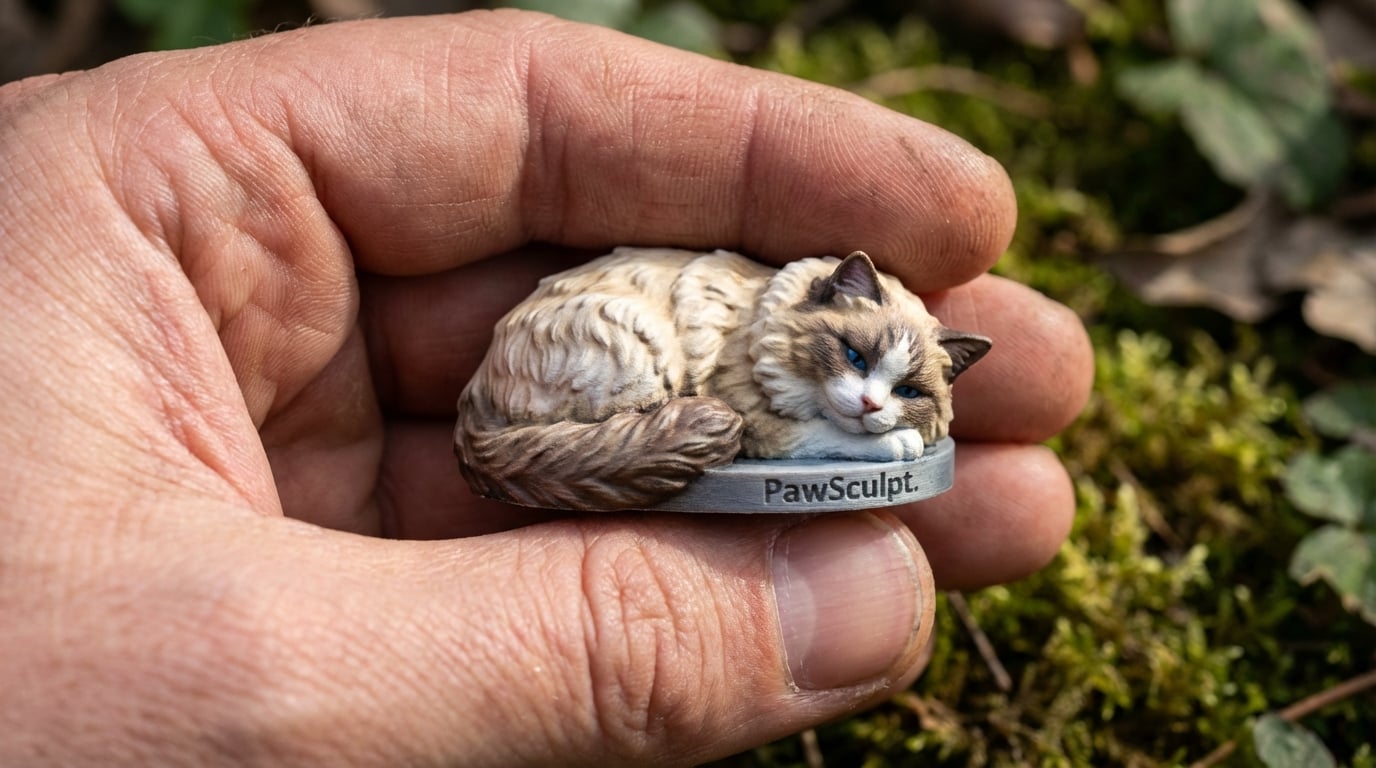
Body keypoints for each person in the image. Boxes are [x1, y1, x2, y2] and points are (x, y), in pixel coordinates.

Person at [0, 10, 1092, 766]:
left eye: (904, 394)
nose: (867, 400)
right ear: (828, 306)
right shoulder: (774, 326)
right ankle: (590, 432)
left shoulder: (877, 382)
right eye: (856, 360)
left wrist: (894, 426)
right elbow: (763, 428)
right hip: (579, 368)